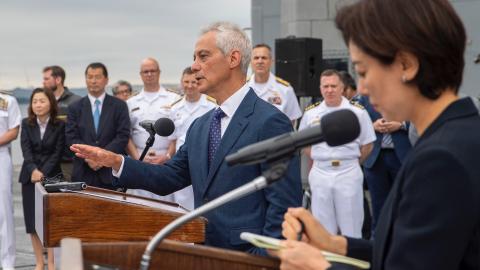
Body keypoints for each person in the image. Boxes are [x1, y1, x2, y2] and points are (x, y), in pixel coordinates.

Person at [272, 0, 480, 269]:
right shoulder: (457, 135)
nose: (361, 88)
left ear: (406, 65)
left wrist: (319, 267)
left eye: (363, 71)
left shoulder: (441, 160)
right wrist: (339, 245)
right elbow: (413, 250)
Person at [71, 21, 302, 255]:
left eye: (203, 56)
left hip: (249, 258)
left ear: (233, 59)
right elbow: (169, 177)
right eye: (194, 58)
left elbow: (284, 206)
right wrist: (117, 162)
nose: (194, 66)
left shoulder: (270, 122)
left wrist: (263, 258)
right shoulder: (201, 126)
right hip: (205, 252)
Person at [299, 69, 375, 237]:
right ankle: (327, 263)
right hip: (320, 172)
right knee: (323, 229)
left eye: (333, 86)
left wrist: (353, 163)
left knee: (352, 228)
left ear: (342, 88)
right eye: (325, 86)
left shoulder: (358, 112)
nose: (329, 90)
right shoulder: (311, 113)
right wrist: (319, 157)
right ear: (320, 88)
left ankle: (352, 263)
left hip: (348, 172)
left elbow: (368, 144)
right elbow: (304, 142)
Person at [65, 62, 130, 190]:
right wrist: (89, 157)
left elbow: (122, 136)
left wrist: (102, 157)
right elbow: (71, 137)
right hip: (83, 172)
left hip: (110, 173)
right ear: (86, 80)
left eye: (97, 77)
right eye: (90, 77)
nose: (93, 81)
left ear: (106, 80)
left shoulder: (119, 106)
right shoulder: (74, 108)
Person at [19, 88, 64, 270]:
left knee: (50, 223)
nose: (38, 104)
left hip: (52, 177)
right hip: (29, 178)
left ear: (51, 103)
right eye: (35, 101)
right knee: (32, 223)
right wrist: (34, 170)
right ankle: (39, 263)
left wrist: (43, 172)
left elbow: (57, 152)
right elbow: (26, 150)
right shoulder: (26, 123)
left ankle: (51, 263)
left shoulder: (60, 125)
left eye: (42, 101)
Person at [125, 57, 181, 200]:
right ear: (141, 74)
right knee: (139, 204)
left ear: (159, 72)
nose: (149, 74)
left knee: (166, 205)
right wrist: (137, 158)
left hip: (165, 160)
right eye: (145, 71)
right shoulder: (131, 102)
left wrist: (167, 156)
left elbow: (177, 133)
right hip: (139, 157)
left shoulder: (173, 99)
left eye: (152, 71)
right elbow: (127, 135)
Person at [356, 95, 411, 234]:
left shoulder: (408, 91)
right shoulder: (364, 96)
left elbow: (422, 115)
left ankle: (402, 241)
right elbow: (355, 119)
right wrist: (371, 125)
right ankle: (377, 243)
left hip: (401, 156)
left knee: (405, 204)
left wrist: (401, 124)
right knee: (378, 205)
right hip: (375, 158)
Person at [168, 67, 216, 210]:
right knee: (181, 205)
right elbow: (173, 140)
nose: (189, 86)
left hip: (204, 161)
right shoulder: (174, 108)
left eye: (194, 82)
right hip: (181, 162)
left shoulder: (211, 105)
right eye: (186, 82)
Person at [43, 65, 81, 181]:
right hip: (47, 161)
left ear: (58, 80)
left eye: (46, 79)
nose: (43, 82)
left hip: (69, 161)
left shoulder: (76, 101)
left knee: (71, 195)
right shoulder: (42, 102)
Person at [248, 43, 302, 124]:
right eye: (256, 58)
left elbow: (292, 120)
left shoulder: (285, 89)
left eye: (264, 58)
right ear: (250, 62)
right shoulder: (242, 87)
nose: (260, 61)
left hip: (277, 136)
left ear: (271, 61)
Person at [0, 90, 21, 270]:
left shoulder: (7, 101)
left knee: (4, 211)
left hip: (1, 156)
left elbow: (14, 131)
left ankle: (8, 263)